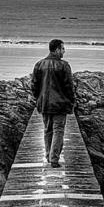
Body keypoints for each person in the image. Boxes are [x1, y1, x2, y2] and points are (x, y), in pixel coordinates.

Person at [31, 39, 75, 167]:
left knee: (47, 130)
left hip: (44, 103)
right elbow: (69, 87)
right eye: (62, 49)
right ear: (56, 50)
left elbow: (34, 85)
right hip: (60, 104)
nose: (64, 51)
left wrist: (38, 98)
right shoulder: (64, 66)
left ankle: (48, 155)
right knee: (58, 130)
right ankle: (54, 159)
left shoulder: (39, 64)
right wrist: (71, 102)